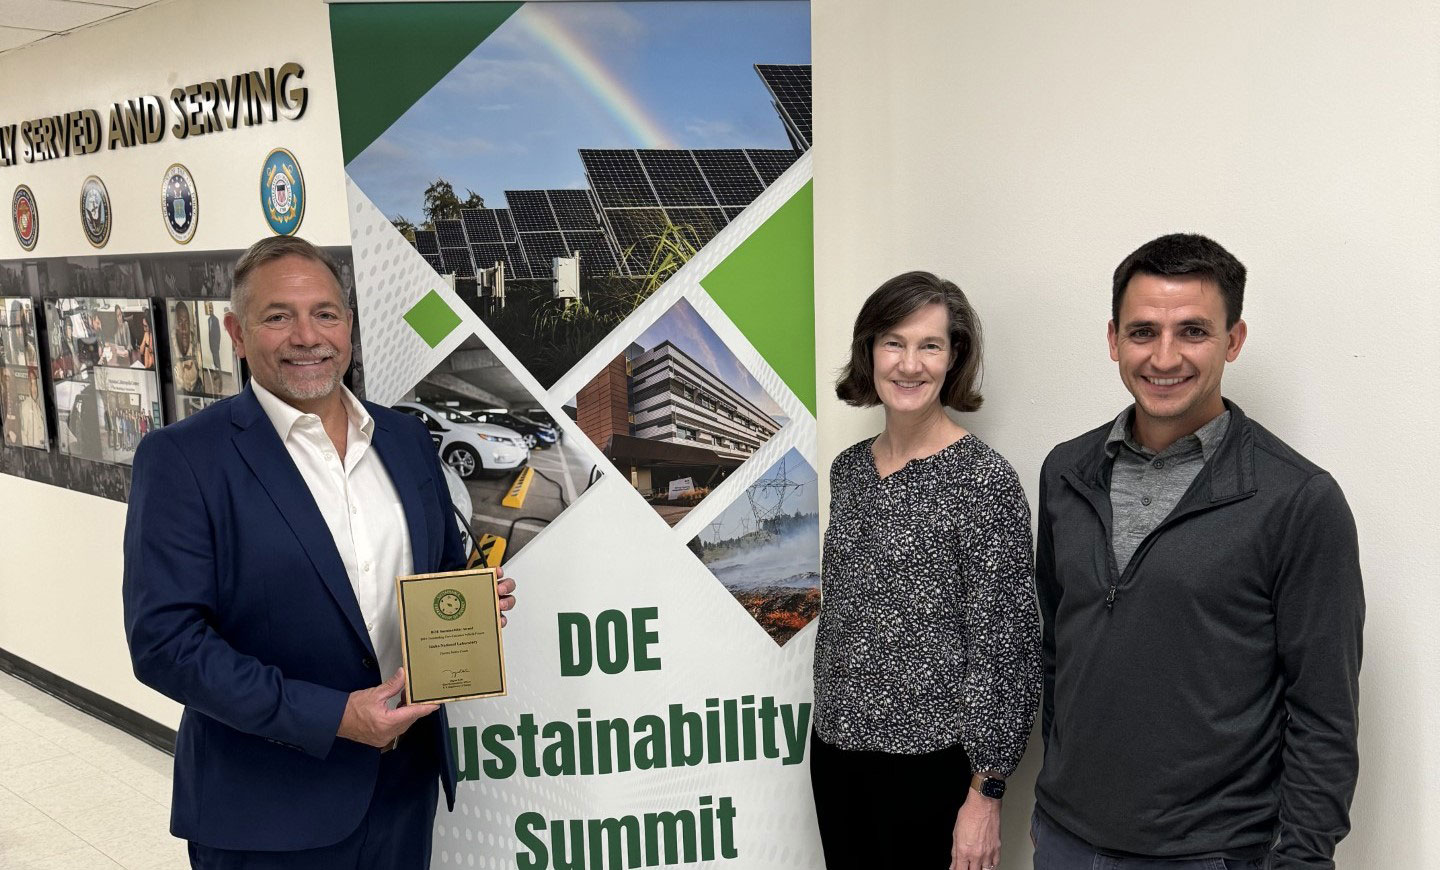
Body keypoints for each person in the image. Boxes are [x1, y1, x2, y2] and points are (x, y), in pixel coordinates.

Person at [123, 235, 517, 869]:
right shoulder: (184, 460)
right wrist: (335, 716)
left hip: (402, 791)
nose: (308, 336)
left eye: (325, 314)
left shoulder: (406, 439)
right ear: (237, 331)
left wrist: (471, 601)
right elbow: (165, 645)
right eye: (279, 316)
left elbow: (437, 570)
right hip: (267, 811)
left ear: (349, 325)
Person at [1032, 234, 1364, 869]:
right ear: (1112, 340)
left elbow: (1324, 717)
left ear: (1233, 341)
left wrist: (1300, 859)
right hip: (1064, 840)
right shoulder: (1065, 472)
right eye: (1142, 332)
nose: (1164, 357)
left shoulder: (1298, 500)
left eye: (1192, 331)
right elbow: (1058, 648)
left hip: (1211, 856)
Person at [811, 271, 1041, 870]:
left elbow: (1006, 646)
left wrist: (986, 793)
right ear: (869, 352)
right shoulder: (850, 472)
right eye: (893, 342)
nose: (909, 364)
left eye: (930, 345)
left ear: (954, 357)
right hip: (837, 750)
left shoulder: (984, 480)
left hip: (935, 768)